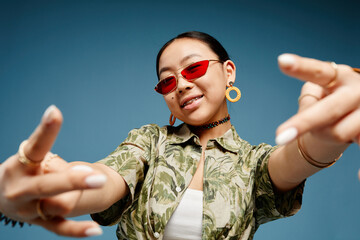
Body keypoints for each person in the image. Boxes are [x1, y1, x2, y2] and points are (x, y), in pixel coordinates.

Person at [0, 31, 359, 240]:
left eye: (195, 68)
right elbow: (106, 178)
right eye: (167, 80)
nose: (182, 84)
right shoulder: (149, 143)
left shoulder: (253, 163)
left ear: (228, 72)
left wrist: (331, 129)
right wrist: (54, 186)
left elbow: (299, 158)